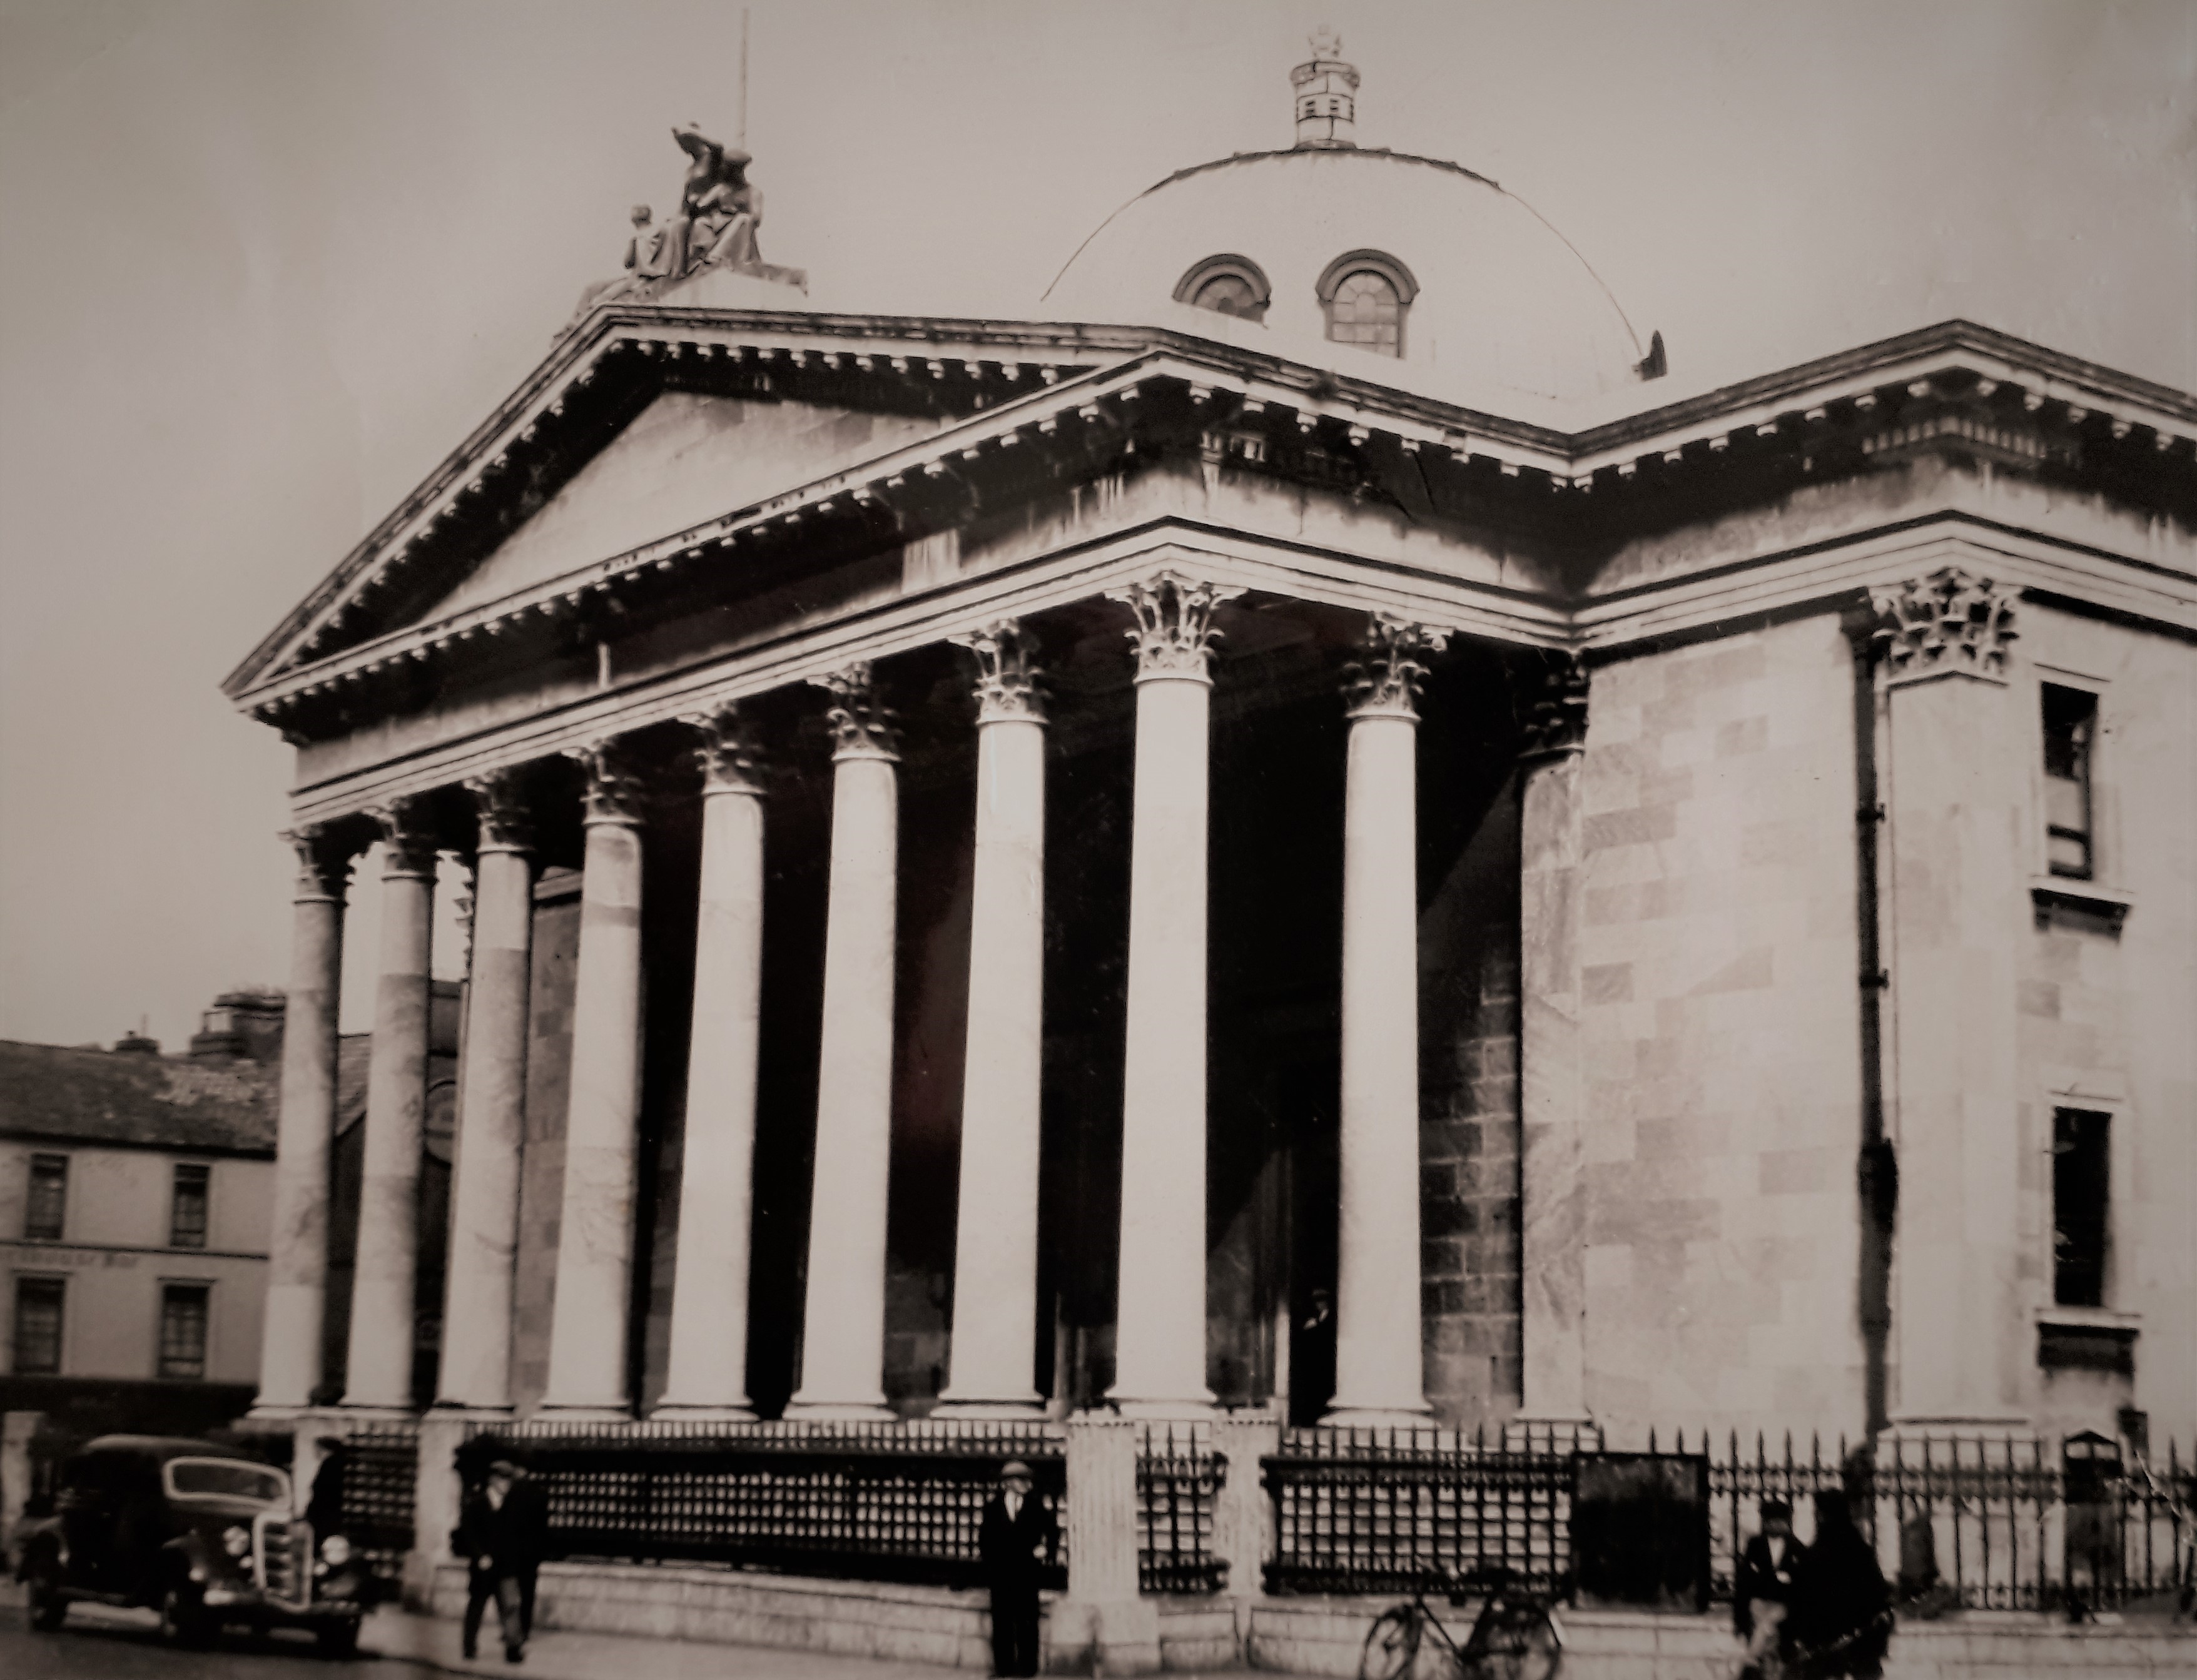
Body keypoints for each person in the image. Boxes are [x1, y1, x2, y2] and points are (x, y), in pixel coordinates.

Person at [1785, 1489, 1893, 1679]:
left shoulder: (1814, 1554)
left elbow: (1802, 1598)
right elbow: (1878, 1593)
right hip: (1860, 1637)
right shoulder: (1861, 1550)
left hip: (1825, 1640)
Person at [977, 1459, 1058, 1679]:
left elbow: (1053, 1531)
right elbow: (984, 1539)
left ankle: (1027, 1669)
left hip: (1027, 1573)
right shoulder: (993, 1507)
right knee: (1001, 1621)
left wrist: (1046, 1551)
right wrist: (992, 1565)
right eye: (1022, 1480)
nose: (1027, 1484)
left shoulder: (1035, 1505)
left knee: (1027, 1620)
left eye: (1027, 1480)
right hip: (1001, 1574)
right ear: (1008, 1483)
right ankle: (1003, 1668)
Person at [455, 1460, 527, 1664]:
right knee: (477, 1608)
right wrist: (480, 1556)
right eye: (503, 1480)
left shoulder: (512, 1505)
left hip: (506, 1568)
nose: (507, 1485)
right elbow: (468, 1534)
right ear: (493, 1480)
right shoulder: (477, 1504)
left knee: (510, 1607)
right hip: (483, 1568)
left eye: (509, 1481)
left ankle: (513, 1650)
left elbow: (516, 1535)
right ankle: (469, 1647)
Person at [1734, 1497, 1804, 1679]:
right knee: (1766, 1628)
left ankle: (1751, 1660)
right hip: (1759, 1601)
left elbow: (1801, 1583)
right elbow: (1745, 1579)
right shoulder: (1755, 1545)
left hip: (1782, 1604)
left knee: (1767, 1625)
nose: (1775, 1525)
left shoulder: (1796, 1548)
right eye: (1771, 1521)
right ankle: (1763, 1668)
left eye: (1780, 1521)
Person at [502, 1458, 551, 1645]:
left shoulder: (511, 1492)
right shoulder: (540, 1492)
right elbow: (543, 1525)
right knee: (528, 1592)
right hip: (532, 1552)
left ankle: (511, 1629)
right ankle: (525, 1629)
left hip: (513, 1550)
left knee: (510, 1592)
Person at [303, 1435, 347, 1541]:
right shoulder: (334, 1463)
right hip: (328, 1514)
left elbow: (323, 1491)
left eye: (316, 1448)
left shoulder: (330, 1464)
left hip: (326, 1515)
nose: (315, 1452)